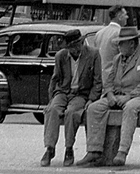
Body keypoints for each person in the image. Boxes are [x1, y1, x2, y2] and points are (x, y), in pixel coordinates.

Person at [77, 26, 140, 168]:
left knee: (131, 107)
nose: (118, 46)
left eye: (121, 43)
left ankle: (122, 152)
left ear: (131, 43)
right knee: (94, 107)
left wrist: (129, 96)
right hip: (118, 95)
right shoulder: (117, 59)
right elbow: (108, 80)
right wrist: (109, 94)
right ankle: (93, 150)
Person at [40, 29, 102, 167]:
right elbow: (54, 79)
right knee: (52, 111)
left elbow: (98, 81)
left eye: (78, 45)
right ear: (67, 48)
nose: (76, 49)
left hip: (81, 94)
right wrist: (51, 99)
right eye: (72, 47)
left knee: (71, 113)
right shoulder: (60, 56)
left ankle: (69, 148)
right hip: (62, 92)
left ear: (81, 43)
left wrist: (92, 99)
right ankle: (49, 148)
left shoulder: (93, 54)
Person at [94, 5, 127, 85]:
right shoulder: (120, 33)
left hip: (99, 78)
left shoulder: (99, 33)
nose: (127, 17)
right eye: (125, 14)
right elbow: (125, 57)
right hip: (114, 79)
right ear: (119, 16)